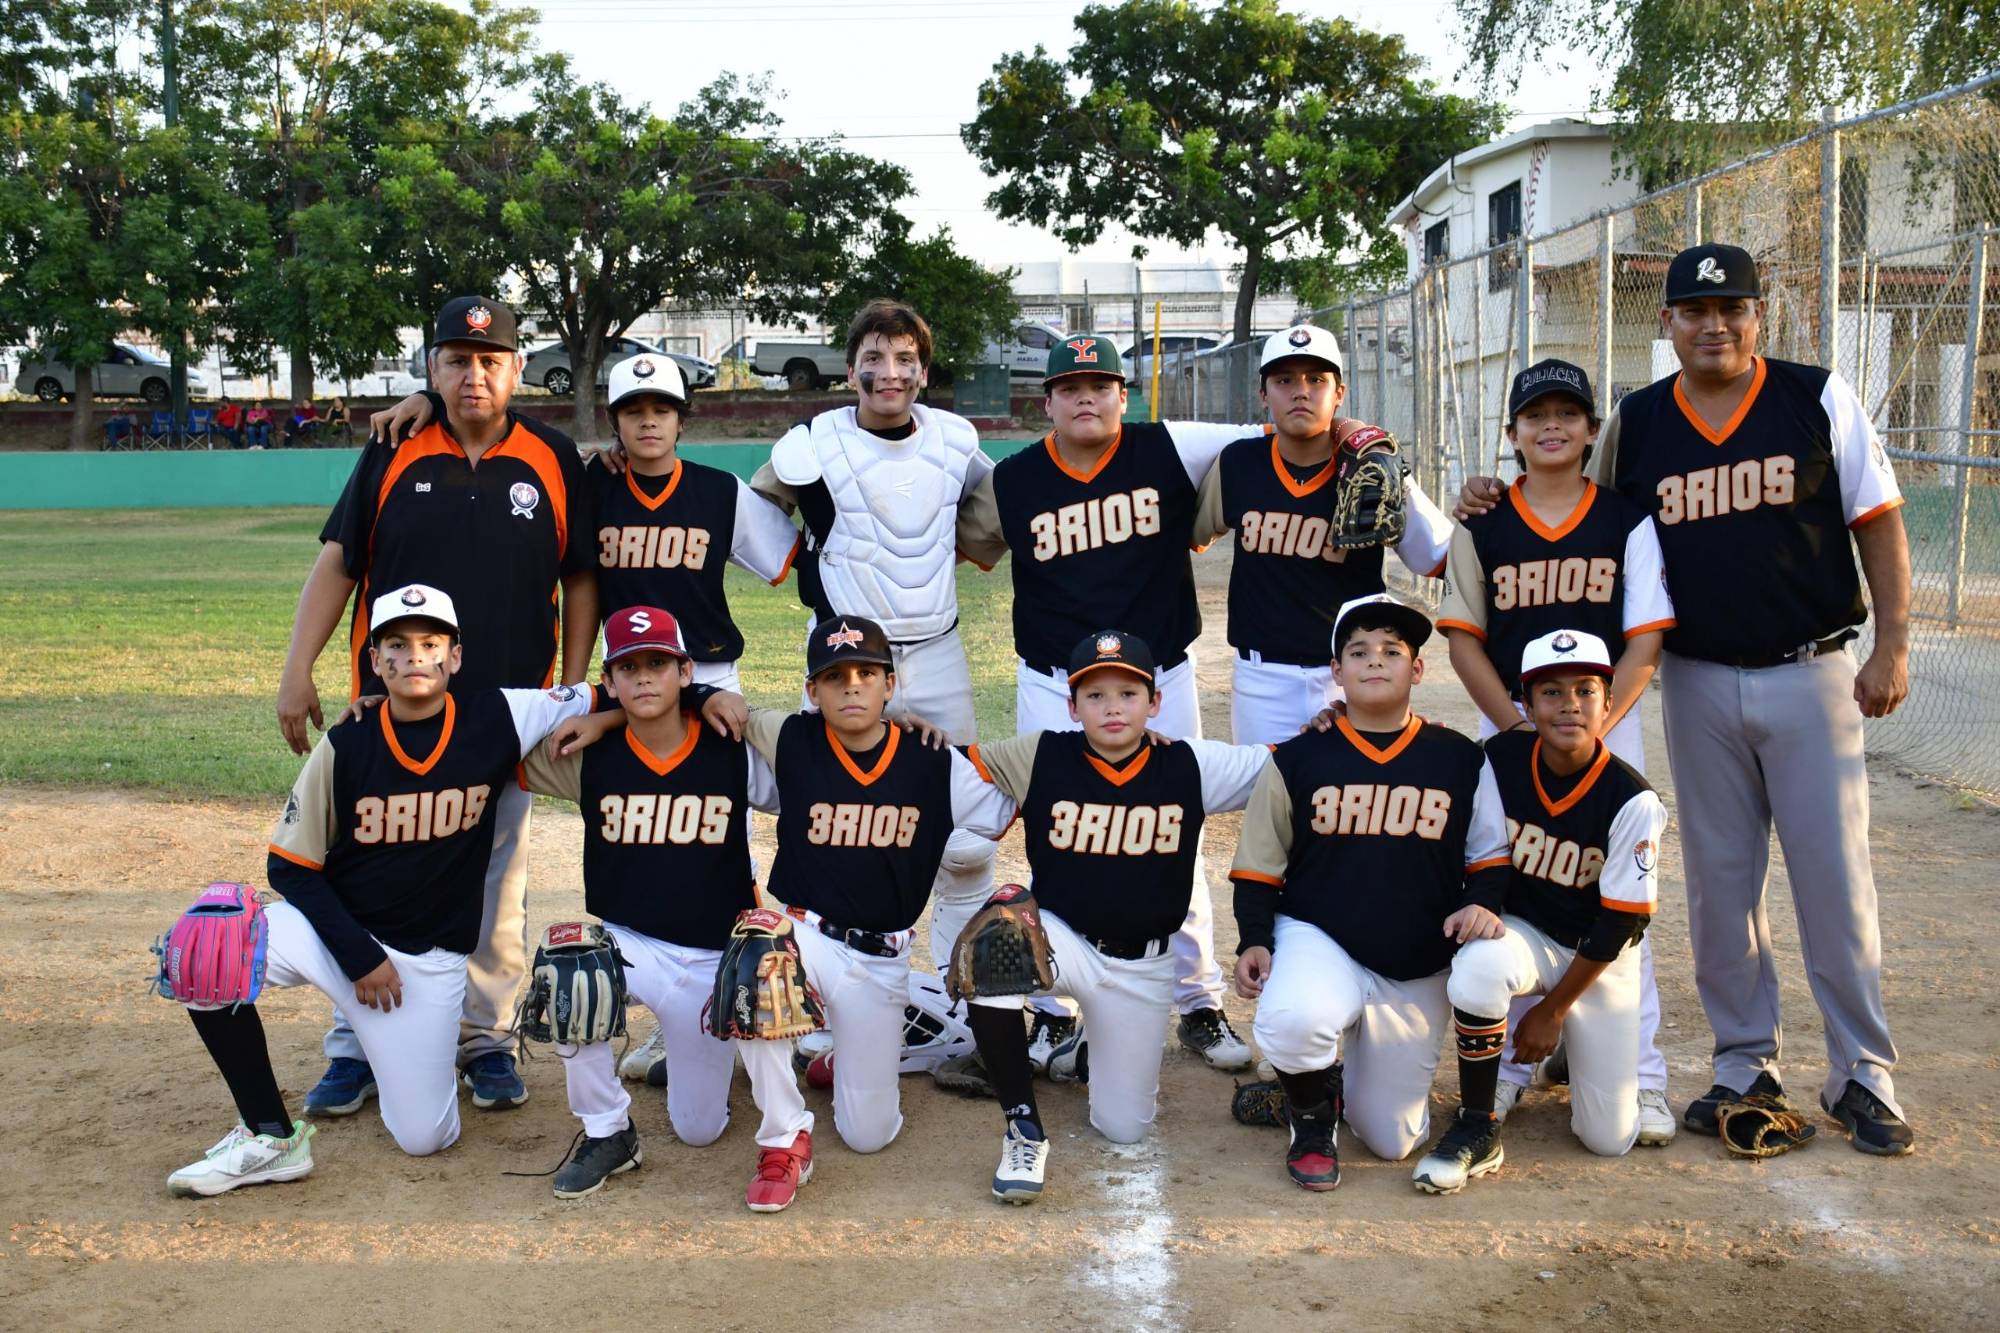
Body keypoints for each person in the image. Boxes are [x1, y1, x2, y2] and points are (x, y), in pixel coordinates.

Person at [1454, 244, 1917, 1155]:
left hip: (1812, 664)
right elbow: (1580, 499)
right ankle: (1745, 1061)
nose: (1715, 324)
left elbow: (1878, 517)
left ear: (1759, 315)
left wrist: (1892, 641)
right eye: (1695, 310)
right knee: (1718, 885)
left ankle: (1864, 1070)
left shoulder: (1814, 395)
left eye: (1733, 307)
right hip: (1697, 674)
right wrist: (1486, 491)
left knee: (1834, 881)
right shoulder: (1638, 421)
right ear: (1665, 324)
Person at [274, 295, 598, 1119]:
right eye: (455, 359)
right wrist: (296, 669)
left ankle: (483, 1039)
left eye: (491, 360)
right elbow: (341, 562)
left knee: (498, 880)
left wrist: (567, 686)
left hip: (502, 713)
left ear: (519, 369)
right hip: (390, 707)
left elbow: (581, 578)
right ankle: (355, 1044)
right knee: (368, 872)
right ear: (431, 369)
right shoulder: (392, 446)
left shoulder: (554, 457)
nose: (473, 373)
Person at [163, 585, 596, 1196]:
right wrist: (359, 956)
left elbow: (615, 688)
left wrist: (601, 715)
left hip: (428, 963)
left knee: (425, 1137)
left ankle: (398, 1053)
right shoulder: (349, 741)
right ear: (376, 661)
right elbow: (288, 866)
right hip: (342, 940)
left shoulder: (500, 714)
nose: (414, 656)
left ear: (454, 657)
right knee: (207, 945)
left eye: (430, 643)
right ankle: (269, 1137)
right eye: (397, 644)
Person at [955, 335, 1265, 1078]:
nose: (1086, 397)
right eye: (1070, 386)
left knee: (1172, 822)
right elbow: (958, 545)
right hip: (1054, 679)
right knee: (1058, 830)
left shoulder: (1170, 449)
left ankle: (1196, 998)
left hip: (1159, 676)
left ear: (1124, 395)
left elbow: (1273, 433)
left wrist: (1359, 433)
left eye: (1101, 384)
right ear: (1049, 401)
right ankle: (1056, 1007)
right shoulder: (1014, 480)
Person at [1434, 357, 1678, 1145]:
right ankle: (1503, 1068)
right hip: (1508, 723)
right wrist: (1511, 726)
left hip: (1604, 720)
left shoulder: (1624, 519)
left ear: (1590, 431)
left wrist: (1599, 724)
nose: (1552, 425)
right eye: (1535, 414)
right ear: (1511, 434)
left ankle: (1641, 1075)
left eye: (1568, 414)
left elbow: (1644, 640)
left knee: (1619, 898)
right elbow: (1464, 638)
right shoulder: (1482, 523)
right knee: (1510, 888)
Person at [946, 630, 1272, 1203]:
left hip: (1145, 966)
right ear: (1072, 706)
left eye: (1128, 693)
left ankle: (1084, 1050)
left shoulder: (1191, 763)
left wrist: (1338, 725)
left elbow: (1289, 768)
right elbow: (943, 768)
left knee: (1125, 1129)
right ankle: (1023, 1126)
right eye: (1095, 696)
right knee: (997, 947)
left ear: (1155, 702)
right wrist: (906, 726)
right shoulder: (1042, 753)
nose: (1113, 707)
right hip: (1064, 943)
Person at [515, 606, 811, 1206]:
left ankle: (707, 1070)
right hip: (633, 944)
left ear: (685, 671)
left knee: (698, 1131)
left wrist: (710, 697)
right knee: (575, 970)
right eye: (629, 668)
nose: (644, 679)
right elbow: (489, 742)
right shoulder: (588, 753)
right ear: (611, 681)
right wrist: (597, 717)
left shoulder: (731, 747)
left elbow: (815, 768)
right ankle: (608, 1132)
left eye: (658, 665)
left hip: (713, 958)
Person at [1229, 594, 1512, 1190]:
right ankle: (1309, 1117)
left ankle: (1325, 1080)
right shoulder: (1301, 756)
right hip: (1320, 936)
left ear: (1418, 669)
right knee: (1292, 1021)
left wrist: (1482, 901)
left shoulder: (1459, 758)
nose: (1375, 661)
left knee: (1392, 1140)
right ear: (1336, 673)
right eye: (1358, 651)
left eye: (1392, 650)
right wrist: (1254, 937)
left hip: (1415, 961)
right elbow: (1258, 866)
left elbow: (1489, 856)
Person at [1410, 629, 1668, 1194]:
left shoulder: (1632, 799)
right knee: (1477, 969)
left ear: (1608, 702)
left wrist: (1551, 1011)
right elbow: (1424, 759)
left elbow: (1621, 922)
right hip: (1524, 935)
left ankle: (1559, 1060)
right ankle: (1478, 1125)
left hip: (1599, 957)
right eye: (1550, 692)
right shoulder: (1500, 757)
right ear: (1525, 705)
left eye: (1585, 690)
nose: (1568, 704)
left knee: (1608, 1138)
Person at [1191, 324, 1453, 745]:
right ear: (1264, 394)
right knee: (1267, 796)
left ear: (1339, 393)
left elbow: (1441, 556)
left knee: (1345, 802)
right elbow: (1194, 535)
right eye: (1284, 380)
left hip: (1349, 673)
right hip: (1260, 677)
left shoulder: (1374, 470)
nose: (1301, 391)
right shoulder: (1238, 464)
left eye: (1316, 379)